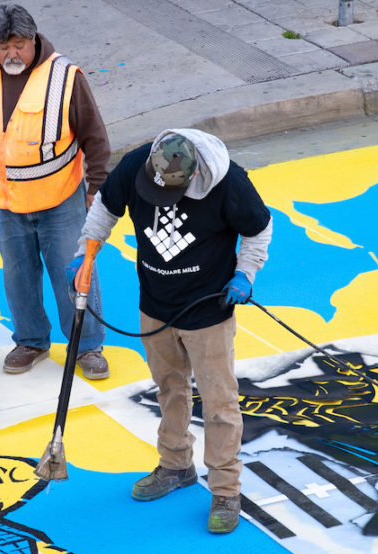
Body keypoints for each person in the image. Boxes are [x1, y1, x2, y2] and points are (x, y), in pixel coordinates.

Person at [79, 129, 272, 533]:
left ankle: (225, 490)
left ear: (196, 173)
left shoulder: (229, 182)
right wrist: (85, 254)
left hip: (208, 309)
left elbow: (258, 229)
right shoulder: (136, 165)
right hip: (155, 303)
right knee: (169, 387)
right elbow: (104, 209)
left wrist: (245, 273)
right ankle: (175, 465)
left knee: (219, 403)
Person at [0, 3, 111, 379]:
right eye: (4, 47)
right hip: (3, 203)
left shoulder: (65, 78)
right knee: (17, 274)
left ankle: (87, 347)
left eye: (19, 45)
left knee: (73, 273)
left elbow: (95, 138)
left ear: (33, 39)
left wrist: (96, 189)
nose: (11, 54)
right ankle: (31, 341)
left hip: (61, 202)